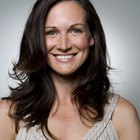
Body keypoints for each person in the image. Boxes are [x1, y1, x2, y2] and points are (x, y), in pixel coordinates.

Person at [0, 0, 140, 139]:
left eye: (75, 30)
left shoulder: (122, 115)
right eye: (51, 32)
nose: (63, 45)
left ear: (91, 36)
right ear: (36, 39)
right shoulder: (7, 114)